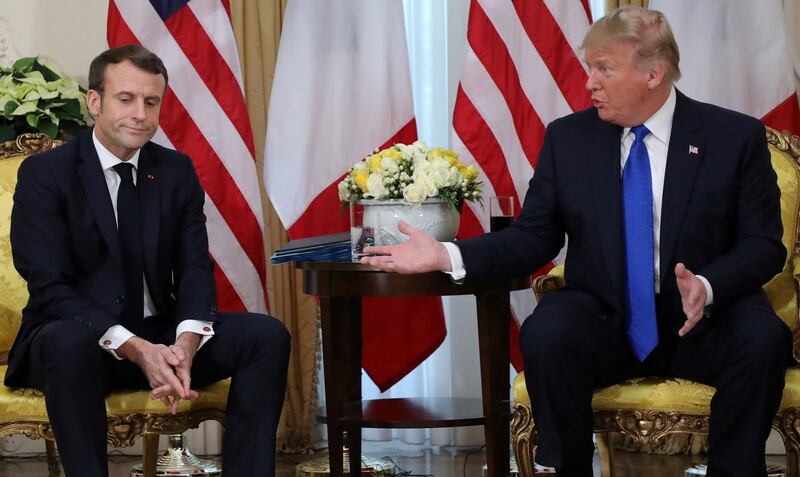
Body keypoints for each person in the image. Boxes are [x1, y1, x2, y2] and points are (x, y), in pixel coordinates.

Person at [361, 6, 792, 477]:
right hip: (605, 320)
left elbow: (763, 243)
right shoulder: (569, 139)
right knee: (547, 332)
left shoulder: (732, 136)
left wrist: (707, 286)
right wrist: (447, 253)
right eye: (590, 67)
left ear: (654, 73)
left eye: (605, 68)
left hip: (703, 319)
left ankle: (732, 470)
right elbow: (534, 236)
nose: (590, 82)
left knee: (762, 338)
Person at [6, 44, 290, 477]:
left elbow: (195, 266)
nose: (140, 113)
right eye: (126, 99)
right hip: (81, 340)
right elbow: (51, 288)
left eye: (151, 101)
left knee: (266, 336)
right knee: (67, 342)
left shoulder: (175, 170)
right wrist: (134, 347)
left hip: (159, 337)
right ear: (95, 101)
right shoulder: (47, 173)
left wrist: (185, 343)